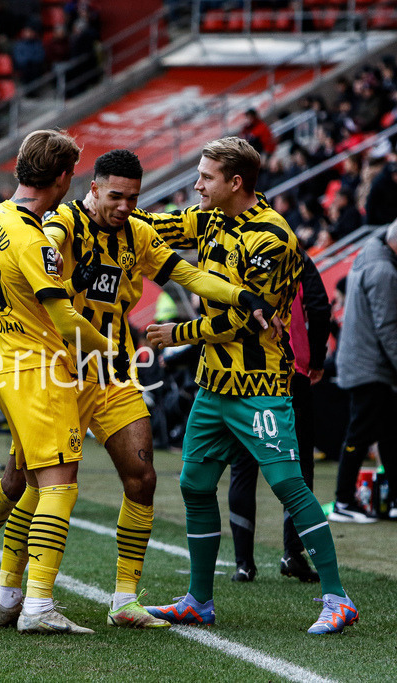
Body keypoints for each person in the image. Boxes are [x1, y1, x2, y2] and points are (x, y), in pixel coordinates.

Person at [0, 148, 275, 630]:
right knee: (21, 482)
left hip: (112, 372)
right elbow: (0, 242)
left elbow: (184, 273)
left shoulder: (138, 234)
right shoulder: (60, 225)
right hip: (60, 368)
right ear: (93, 189)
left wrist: (238, 294)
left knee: (141, 476)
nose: (125, 206)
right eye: (116, 196)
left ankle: (124, 597)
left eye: (134, 198)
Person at [142, 136, 358, 634]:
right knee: (195, 483)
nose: (196, 185)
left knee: (287, 484)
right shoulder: (212, 216)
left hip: (259, 383)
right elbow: (155, 224)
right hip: (213, 385)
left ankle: (337, 597)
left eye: (206, 177)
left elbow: (249, 318)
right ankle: (199, 599)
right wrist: (94, 210)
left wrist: (180, 333)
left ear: (235, 183)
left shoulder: (272, 237)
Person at [227, 252, 332, 583]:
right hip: (289, 369)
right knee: (297, 465)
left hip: (242, 372)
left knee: (243, 466)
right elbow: (319, 307)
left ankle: (244, 562)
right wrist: (316, 357)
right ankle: (293, 554)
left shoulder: (231, 247)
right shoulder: (291, 250)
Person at [328, 224, 397, 522]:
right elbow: (389, 328)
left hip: (363, 360)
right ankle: (343, 501)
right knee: (361, 431)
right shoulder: (384, 270)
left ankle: (393, 498)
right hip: (369, 366)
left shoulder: (371, 256)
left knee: (389, 434)